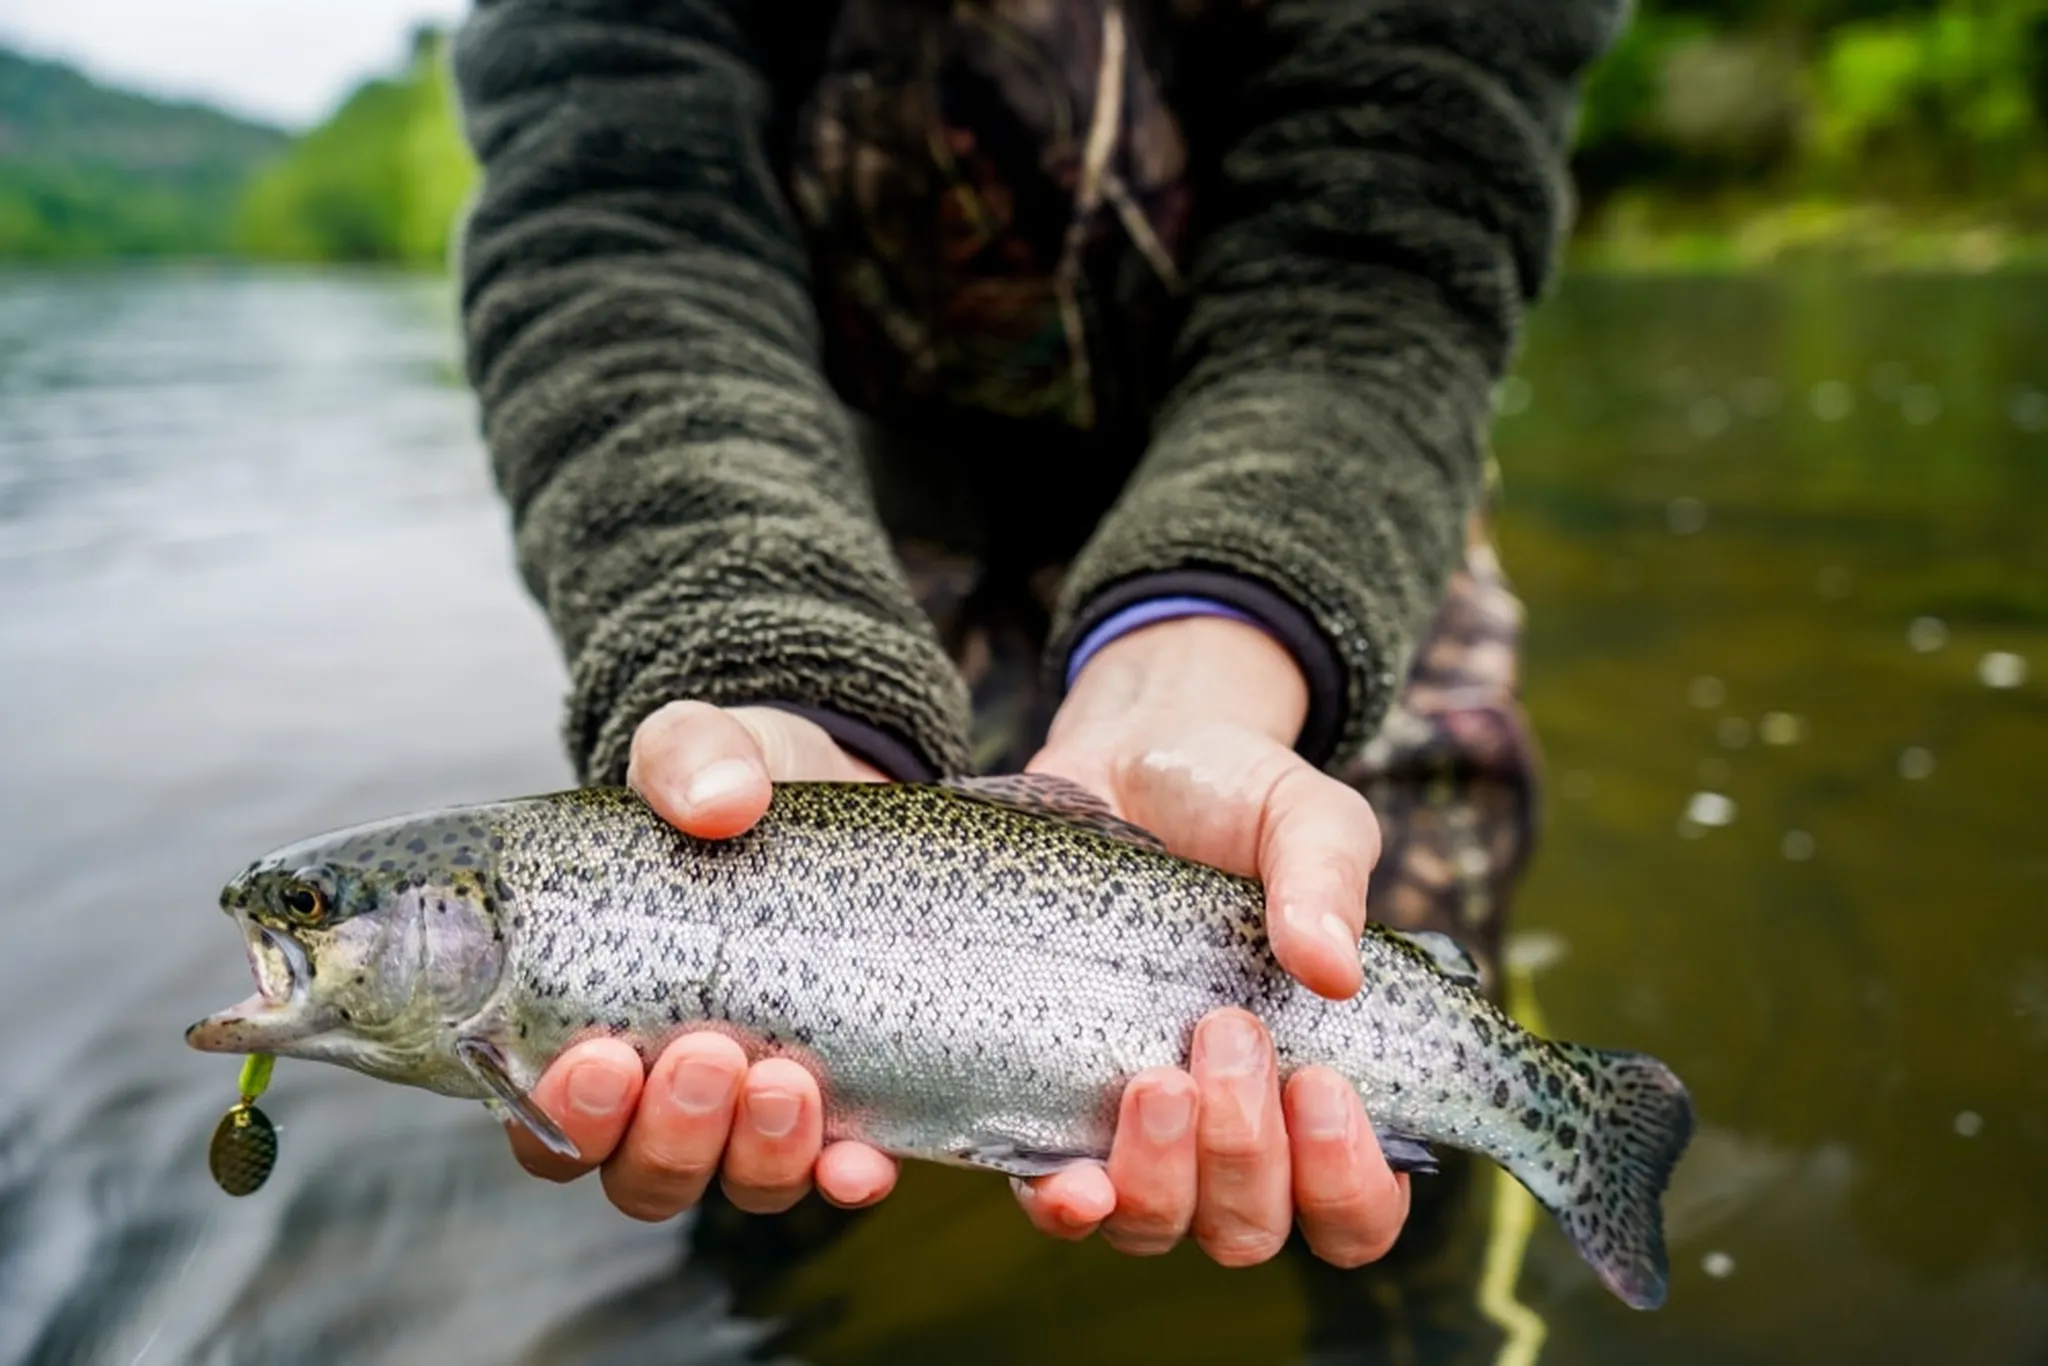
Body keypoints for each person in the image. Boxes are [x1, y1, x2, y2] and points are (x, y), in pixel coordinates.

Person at [449, 0, 1620, 1272]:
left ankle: (1456, 1250)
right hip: (823, 528)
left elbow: (1388, 228)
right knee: (727, 1119)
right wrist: (761, 665)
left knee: (1359, 1040)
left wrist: (1215, 652)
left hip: (1326, 499)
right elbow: (619, 227)